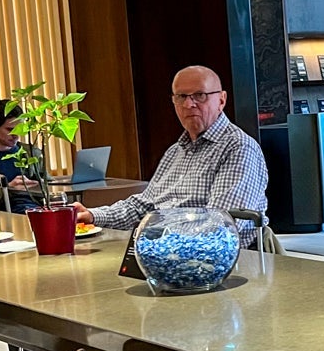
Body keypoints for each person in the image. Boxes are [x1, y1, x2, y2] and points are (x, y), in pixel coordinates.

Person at [75, 66, 269, 245]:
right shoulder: (175, 151)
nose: (189, 104)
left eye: (200, 95)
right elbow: (142, 207)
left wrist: (157, 243)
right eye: (181, 96)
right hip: (164, 252)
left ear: (221, 100)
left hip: (227, 261)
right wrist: (92, 215)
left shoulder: (239, 148)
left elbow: (220, 227)